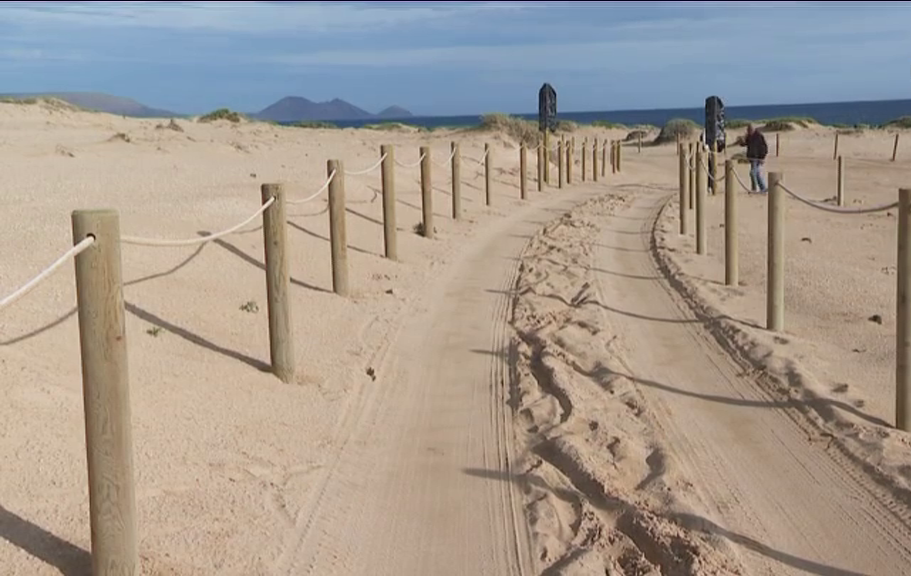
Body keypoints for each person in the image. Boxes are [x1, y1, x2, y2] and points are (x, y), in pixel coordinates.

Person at [734, 124, 768, 193]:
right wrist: (741, 141)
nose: (748, 131)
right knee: (757, 174)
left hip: (757, 158)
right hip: (752, 158)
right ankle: (763, 188)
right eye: (748, 130)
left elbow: (764, 148)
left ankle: (754, 189)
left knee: (752, 173)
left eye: (749, 130)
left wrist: (762, 157)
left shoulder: (759, 136)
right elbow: (745, 144)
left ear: (753, 129)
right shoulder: (749, 136)